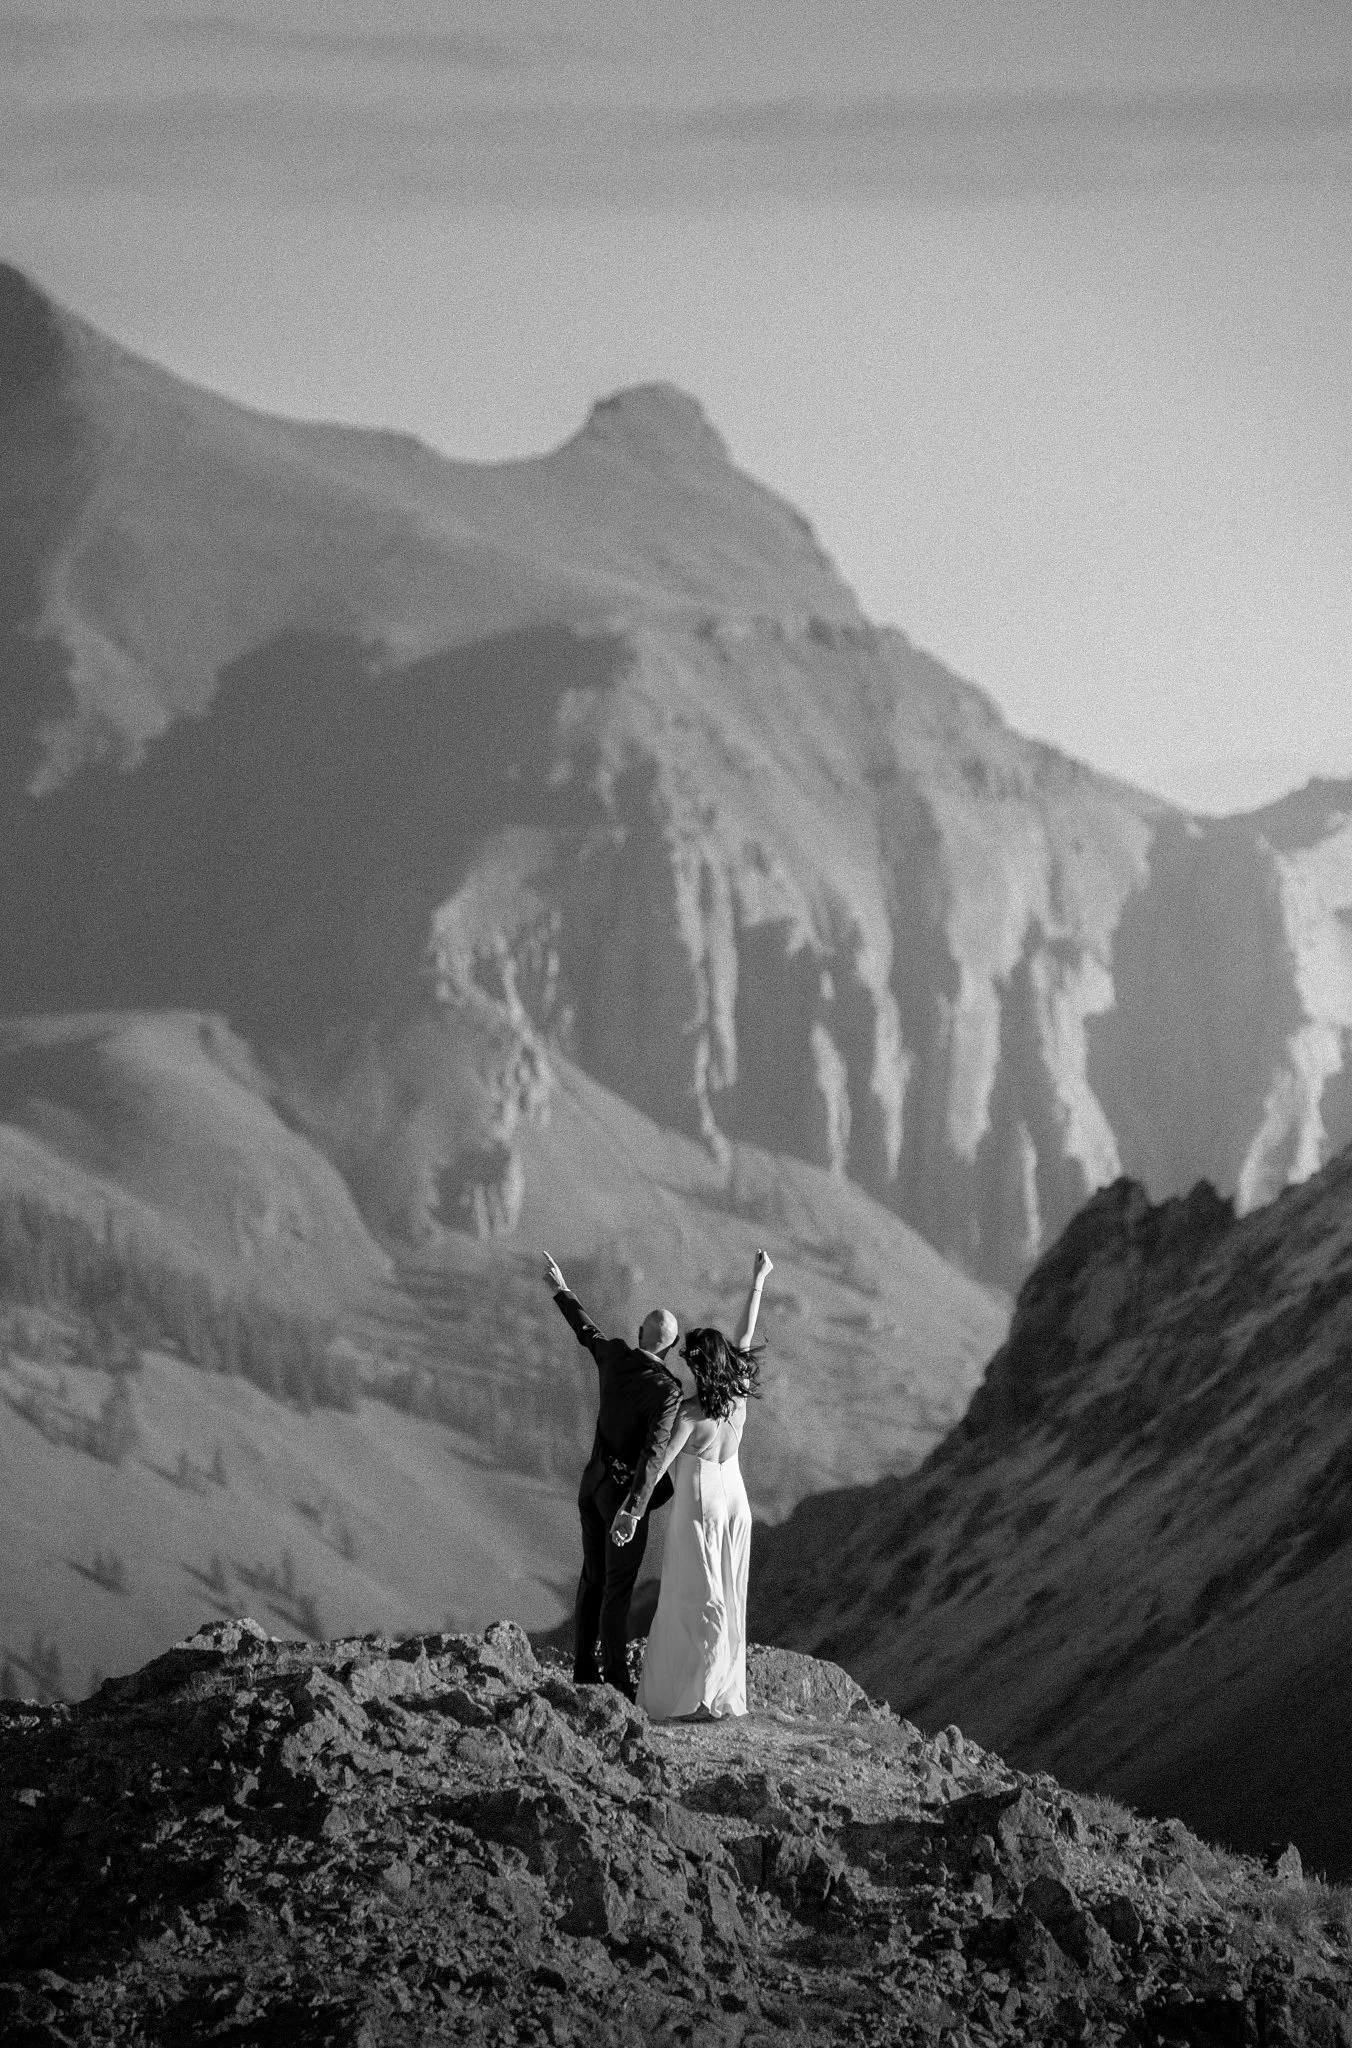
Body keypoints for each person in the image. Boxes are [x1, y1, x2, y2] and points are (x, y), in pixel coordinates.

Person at [633, 1248, 772, 1722]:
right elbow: (745, 1335)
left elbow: (660, 1463)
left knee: (694, 1598)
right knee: (727, 1597)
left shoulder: (692, 1417)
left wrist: (630, 1513)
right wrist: (758, 1281)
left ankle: (701, 1698)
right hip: (737, 1504)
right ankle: (717, 1692)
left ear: (699, 1366)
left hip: (700, 1507)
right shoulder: (737, 1396)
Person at [543, 1253, 683, 1700]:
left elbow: (588, 1332)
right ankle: (617, 1679)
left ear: (642, 1334)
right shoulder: (666, 1392)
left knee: (592, 1578)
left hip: (592, 1483)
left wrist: (561, 1288)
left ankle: (584, 1668)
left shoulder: (615, 1355)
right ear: (669, 1349)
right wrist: (633, 1512)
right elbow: (652, 1456)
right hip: (623, 1497)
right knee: (618, 1590)